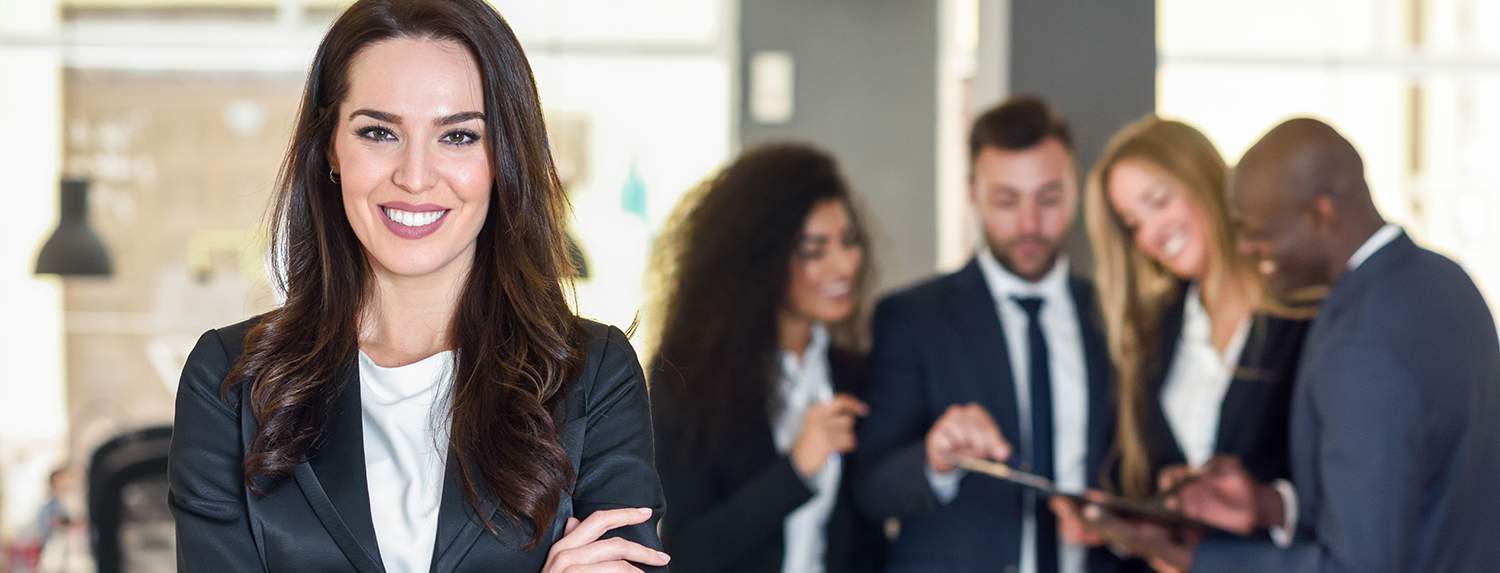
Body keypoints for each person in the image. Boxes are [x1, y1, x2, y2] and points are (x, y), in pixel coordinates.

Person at [167, 1, 668, 571]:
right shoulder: (232, 381)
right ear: (331, 146)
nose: (414, 175)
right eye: (379, 132)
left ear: (503, 156)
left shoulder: (592, 376)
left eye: (458, 137)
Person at [1080, 118, 1500, 572]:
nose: (1247, 248)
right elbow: (1403, 493)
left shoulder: (1356, 342)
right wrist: (1269, 506)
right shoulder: (1448, 281)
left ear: (1322, 213)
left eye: (1259, 233)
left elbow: (1357, 565)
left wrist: (1197, 558)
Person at [854, 96, 1119, 573]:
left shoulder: (1113, 316)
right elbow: (871, 488)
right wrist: (935, 458)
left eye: (1049, 198)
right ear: (973, 194)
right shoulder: (913, 318)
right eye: (1006, 200)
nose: (1029, 224)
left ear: (1076, 189)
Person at [1050, 117, 1310, 547]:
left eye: (1159, 201)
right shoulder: (1155, 334)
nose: (1150, 234)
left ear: (1204, 181)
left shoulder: (1301, 316)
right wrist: (1124, 522)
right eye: (1133, 223)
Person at [649, 143, 887, 572]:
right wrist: (795, 471)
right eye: (814, 250)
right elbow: (686, 553)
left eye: (848, 242)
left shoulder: (855, 373)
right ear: (761, 261)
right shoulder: (686, 381)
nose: (844, 265)